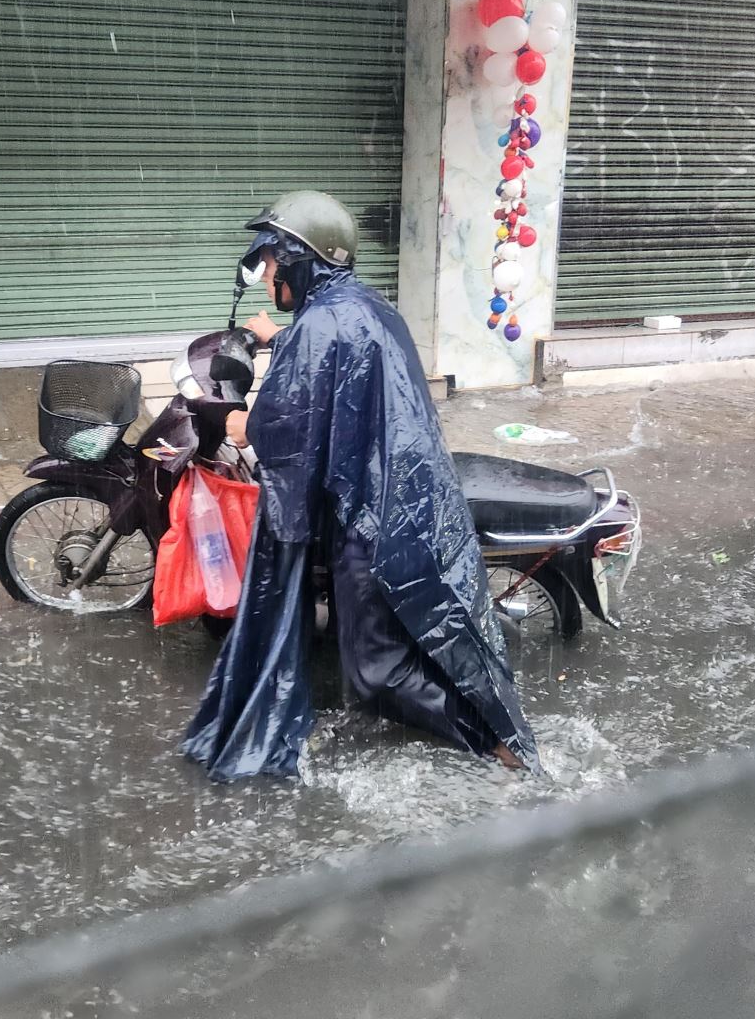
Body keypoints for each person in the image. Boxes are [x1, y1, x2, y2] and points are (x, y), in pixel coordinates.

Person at [180, 191, 542, 781]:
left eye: (273, 263)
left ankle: (496, 749)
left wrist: (230, 418)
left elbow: (280, 433)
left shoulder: (320, 327)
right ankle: (491, 727)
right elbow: (334, 367)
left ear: (301, 261)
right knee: (421, 635)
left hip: (371, 519)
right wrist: (279, 336)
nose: (268, 274)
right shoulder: (364, 306)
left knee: (376, 672)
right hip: (415, 500)